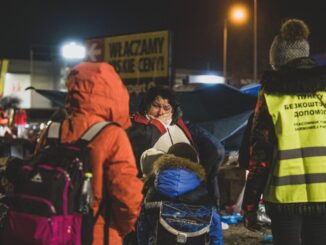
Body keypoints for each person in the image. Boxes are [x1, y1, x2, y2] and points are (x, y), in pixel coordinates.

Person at [38, 62, 143, 245]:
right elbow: (127, 195)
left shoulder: (53, 130)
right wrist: (122, 229)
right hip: (97, 234)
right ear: (114, 93)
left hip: (51, 232)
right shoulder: (112, 135)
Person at [242, 19, 326, 244]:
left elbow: (260, 156)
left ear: (277, 62)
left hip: (284, 197)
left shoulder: (270, 96)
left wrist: (249, 206)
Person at [128, 87, 224, 207]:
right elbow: (139, 144)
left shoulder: (180, 125)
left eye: (166, 108)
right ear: (147, 105)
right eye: (156, 106)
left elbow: (216, 150)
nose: (161, 112)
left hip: (185, 188)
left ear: (173, 109)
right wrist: (159, 124)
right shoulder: (135, 125)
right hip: (150, 192)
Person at [137, 146, 224, 245]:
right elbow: (216, 236)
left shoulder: (152, 192)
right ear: (195, 163)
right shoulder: (204, 196)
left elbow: (142, 232)